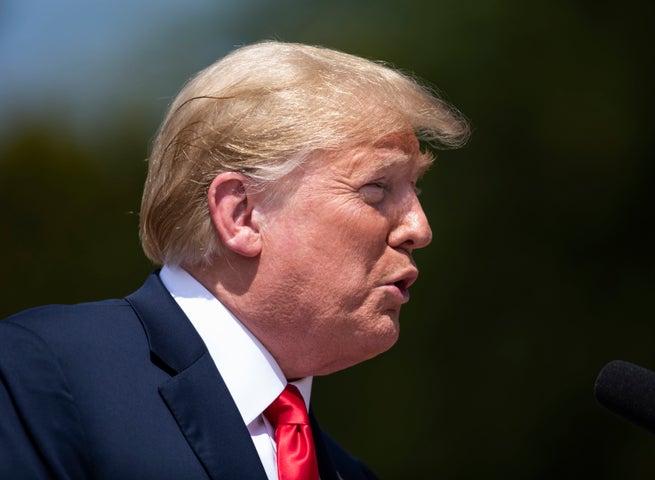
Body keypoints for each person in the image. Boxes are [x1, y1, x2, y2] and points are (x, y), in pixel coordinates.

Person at [0, 41, 469, 479]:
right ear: (241, 214)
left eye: (415, 189)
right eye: (376, 188)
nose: (419, 228)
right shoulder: (39, 375)